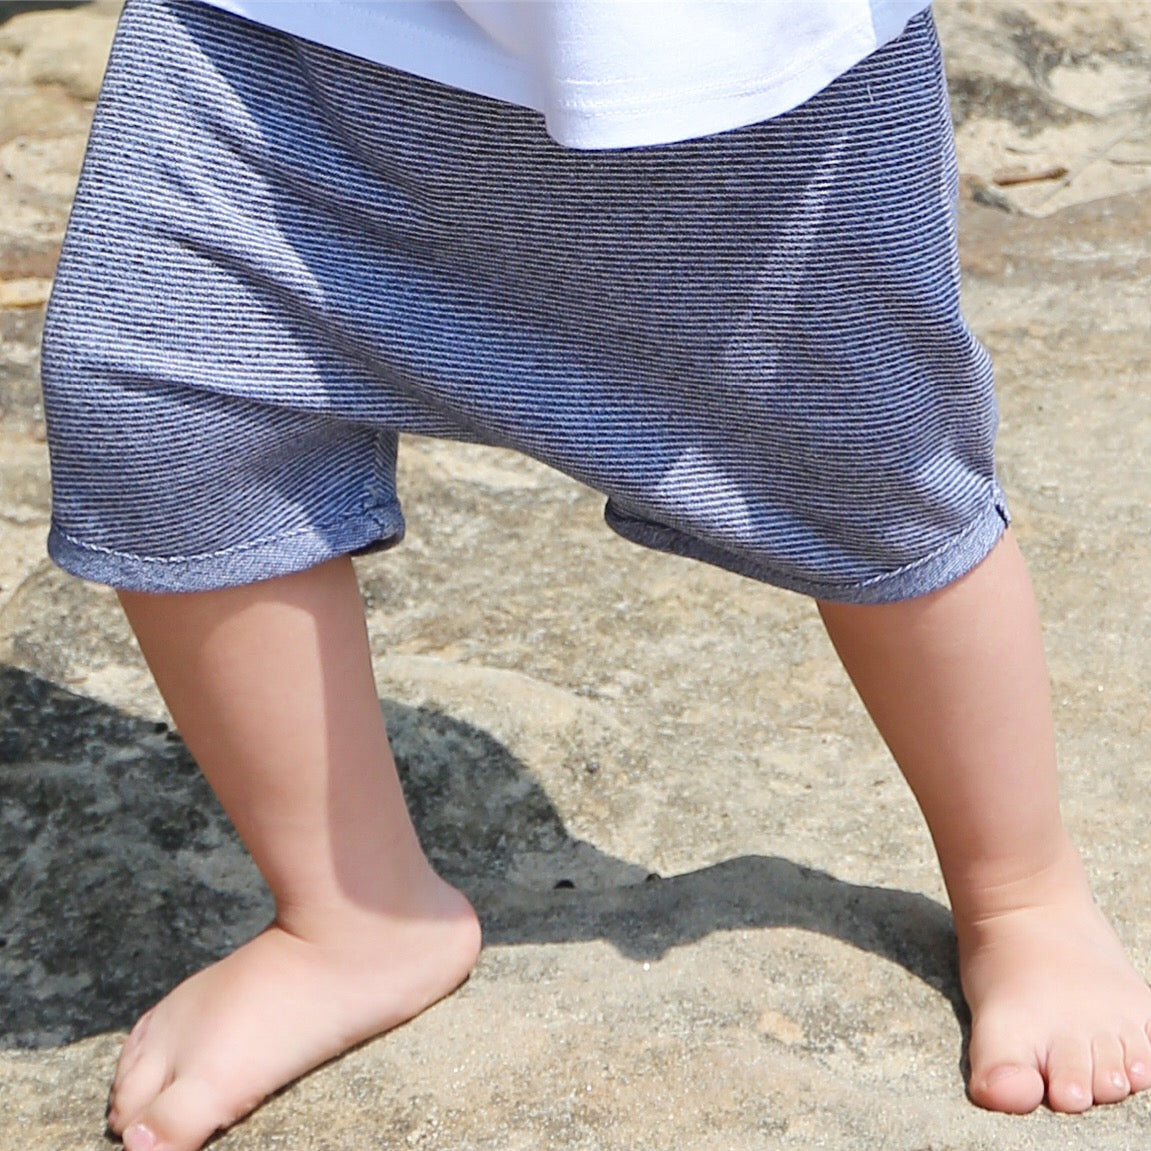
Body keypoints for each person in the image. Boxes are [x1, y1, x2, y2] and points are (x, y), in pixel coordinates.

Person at [38, 2, 1151, 1149]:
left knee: (872, 469)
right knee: (153, 395)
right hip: (274, 44)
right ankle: (350, 908)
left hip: (730, 89)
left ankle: (1019, 888)